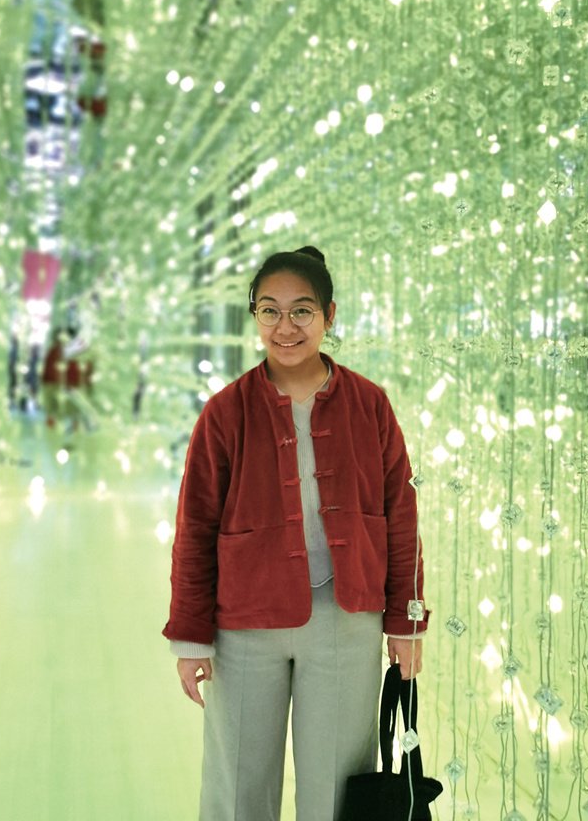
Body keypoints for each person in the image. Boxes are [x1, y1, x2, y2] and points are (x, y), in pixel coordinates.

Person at [162, 245, 429, 821]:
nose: (286, 327)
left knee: (336, 790)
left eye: (302, 311)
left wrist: (406, 623)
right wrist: (190, 635)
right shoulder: (224, 412)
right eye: (270, 311)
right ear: (254, 316)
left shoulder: (370, 404)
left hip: (344, 617)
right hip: (245, 624)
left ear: (329, 316)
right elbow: (196, 527)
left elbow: (400, 514)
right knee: (238, 786)